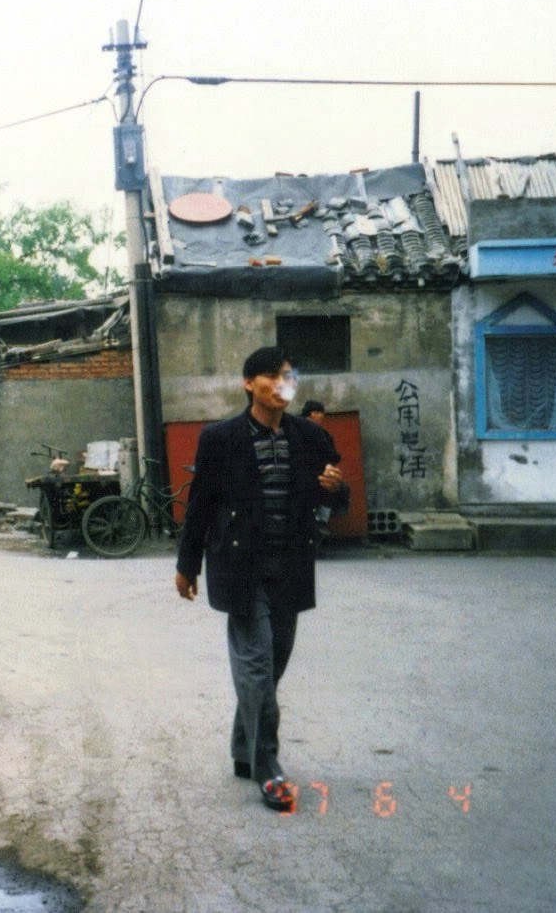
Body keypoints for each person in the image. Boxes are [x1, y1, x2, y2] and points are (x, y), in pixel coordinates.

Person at [174, 346, 349, 812]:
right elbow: (201, 504)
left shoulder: (310, 438)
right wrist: (187, 564)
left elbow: (335, 494)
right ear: (249, 384)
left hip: (290, 567)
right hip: (241, 569)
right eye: (271, 376)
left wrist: (337, 488)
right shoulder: (221, 438)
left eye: (288, 377)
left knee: (271, 668)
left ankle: (241, 751)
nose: (281, 384)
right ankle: (268, 766)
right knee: (255, 669)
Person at [301, 400, 335, 536]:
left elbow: (332, 454)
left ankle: (321, 521)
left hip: (318, 472)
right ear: (310, 415)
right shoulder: (297, 430)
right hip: (301, 473)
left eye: (321, 413)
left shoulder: (324, 434)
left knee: (334, 487)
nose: (321, 416)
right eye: (317, 412)